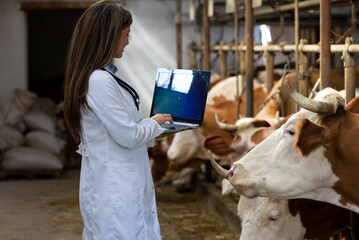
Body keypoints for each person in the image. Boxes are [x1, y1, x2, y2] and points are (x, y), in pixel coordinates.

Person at [63, 1, 173, 239]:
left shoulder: (105, 76)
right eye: (126, 35)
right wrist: (154, 122)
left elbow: (123, 130)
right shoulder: (99, 81)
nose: (128, 41)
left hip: (120, 182)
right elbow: (129, 135)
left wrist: (156, 129)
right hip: (115, 188)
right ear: (109, 36)